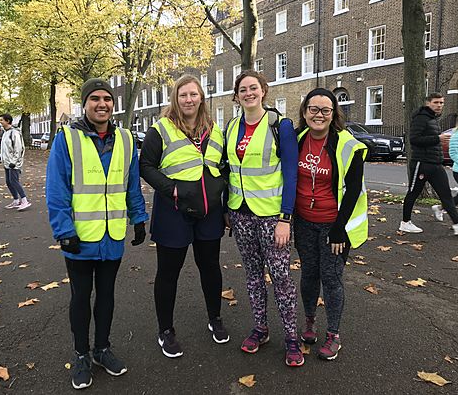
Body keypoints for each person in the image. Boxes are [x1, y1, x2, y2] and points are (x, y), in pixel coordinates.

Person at [46, 78, 149, 390]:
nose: (102, 104)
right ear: (85, 103)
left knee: (106, 295)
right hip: (78, 237)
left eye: (107, 98)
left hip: (112, 234)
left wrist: (139, 217)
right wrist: (64, 231)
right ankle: (81, 354)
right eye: (95, 99)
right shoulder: (67, 138)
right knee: (80, 297)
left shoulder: (127, 140)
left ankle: (102, 349)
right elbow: (56, 189)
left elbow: (131, 184)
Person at [140, 74, 229, 359]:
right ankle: (165, 330)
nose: (188, 99)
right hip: (173, 211)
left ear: (201, 97)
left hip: (209, 211)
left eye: (193, 94)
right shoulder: (161, 129)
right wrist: (173, 190)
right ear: (175, 99)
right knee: (168, 273)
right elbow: (146, 166)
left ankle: (214, 318)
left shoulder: (216, 130)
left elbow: (224, 167)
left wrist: (223, 203)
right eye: (183, 95)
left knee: (211, 267)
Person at [224, 70, 303, 367]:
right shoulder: (231, 127)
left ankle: (292, 337)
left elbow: (291, 173)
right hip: (241, 214)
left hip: (273, 217)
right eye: (243, 89)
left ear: (263, 91)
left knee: (281, 277)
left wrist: (286, 218)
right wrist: (227, 210)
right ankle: (261, 328)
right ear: (237, 95)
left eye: (253, 88)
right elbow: (228, 171)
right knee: (253, 276)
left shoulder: (279, 125)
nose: (248, 93)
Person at [293, 88, 368, 361]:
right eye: (313, 109)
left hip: (333, 227)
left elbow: (353, 190)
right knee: (309, 275)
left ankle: (334, 334)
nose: (319, 115)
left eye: (326, 110)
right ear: (304, 112)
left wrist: (340, 229)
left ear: (333, 114)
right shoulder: (298, 139)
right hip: (303, 223)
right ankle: (310, 322)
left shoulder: (349, 145)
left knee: (332, 280)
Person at [399, 93, 458, 235]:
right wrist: (438, 138)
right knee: (413, 192)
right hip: (421, 163)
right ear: (428, 103)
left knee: (446, 194)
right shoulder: (421, 118)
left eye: (441, 102)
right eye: (436, 102)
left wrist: (438, 140)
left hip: (436, 164)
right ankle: (405, 222)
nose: (440, 105)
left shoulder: (432, 119)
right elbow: (414, 139)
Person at [0, 113, 31, 211]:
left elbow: (18, 148)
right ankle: (16, 200)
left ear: (7, 121)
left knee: (14, 181)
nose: (0, 122)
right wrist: (0, 156)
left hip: (14, 162)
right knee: (8, 182)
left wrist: (14, 161)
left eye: (2, 120)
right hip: (6, 161)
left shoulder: (14, 133)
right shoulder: (5, 133)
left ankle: (24, 200)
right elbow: (5, 148)